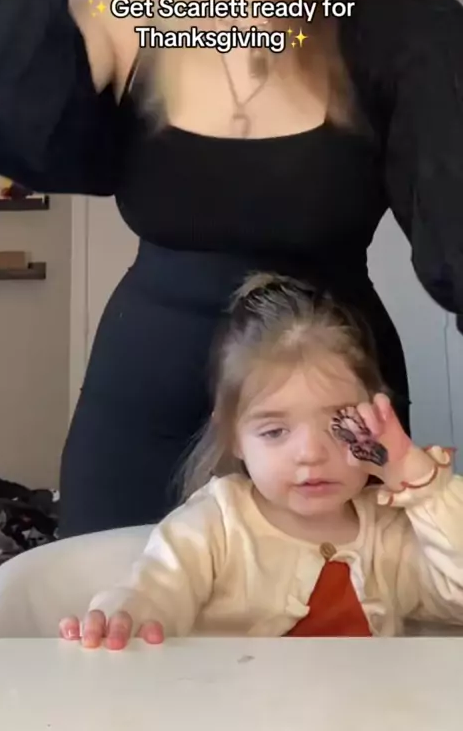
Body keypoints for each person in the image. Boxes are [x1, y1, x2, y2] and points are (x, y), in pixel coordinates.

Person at [0, 0, 462, 539]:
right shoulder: (119, 9)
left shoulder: (406, 21)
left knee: (339, 604)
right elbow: (13, 125)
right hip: (141, 428)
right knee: (114, 600)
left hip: (334, 423)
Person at [58, 273, 463, 647]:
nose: (311, 454)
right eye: (274, 432)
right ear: (234, 435)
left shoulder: (391, 531)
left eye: (340, 424)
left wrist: (412, 472)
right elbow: (155, 592)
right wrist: (125, 615)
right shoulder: (216, 523)